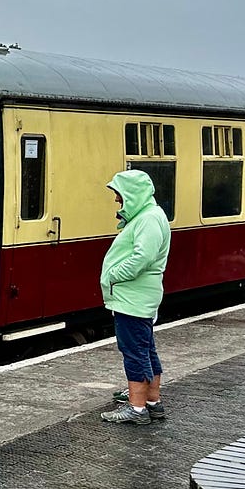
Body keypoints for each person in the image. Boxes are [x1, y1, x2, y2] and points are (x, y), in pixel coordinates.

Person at [100, 169, 172, 425]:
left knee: (134, 352)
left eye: (119, 194)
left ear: (132, 193)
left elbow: (143, 257)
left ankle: (137, 409)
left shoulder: (148, 219)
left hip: (133, 298)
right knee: (146, 350)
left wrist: (113, 275)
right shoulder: (148, 216)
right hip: (137, 296)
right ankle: (153, 403)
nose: (117, 200)